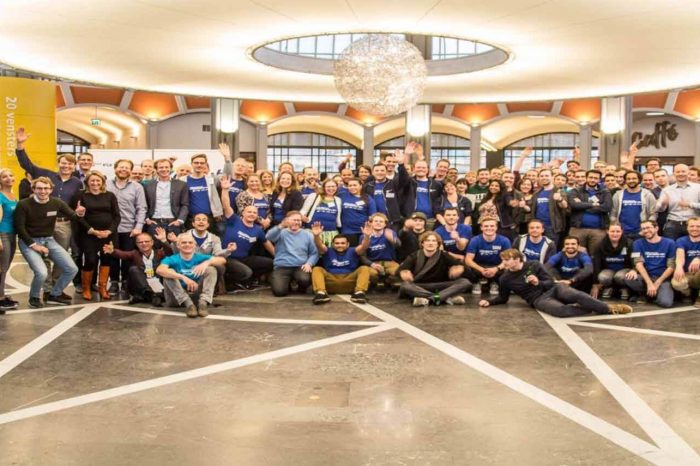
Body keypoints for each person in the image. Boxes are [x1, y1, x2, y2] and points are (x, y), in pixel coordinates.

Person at [15, 128, 84, 295]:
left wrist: (79, 212)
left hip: (63, 224)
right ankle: (46, 288)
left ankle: (55, 288)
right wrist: (20, 145)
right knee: (43, 257)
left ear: (74, 166)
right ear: (58, 163)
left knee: (61, 258)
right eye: (63, 163)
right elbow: (26, 164)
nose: (66, 166)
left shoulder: (77, 183)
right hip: (41, 223)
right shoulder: (46, 175)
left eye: (70, 164)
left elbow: (77, 204)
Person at [15, 177, 100, 308]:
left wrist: (79, 214)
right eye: (39, 188)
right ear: (33, 189)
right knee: (42, 272)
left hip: (48, 240)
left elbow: (73, 216)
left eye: (46, 188)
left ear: (51, 190)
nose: (43, 191)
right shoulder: (23, 204)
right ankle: (34, 297)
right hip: (29, 242)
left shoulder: (56, 202)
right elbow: (19, 228)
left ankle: (55, 294)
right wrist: (34, 245)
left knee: (72, 269)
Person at [478, 249, 632, 317]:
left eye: (507, 260)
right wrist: (489, 302)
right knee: (561, 311)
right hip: (538, 299)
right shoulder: (504, 278)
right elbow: (503, 298)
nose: (503, 263)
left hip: (553, 289)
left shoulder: (534, 265)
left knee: (577, 295)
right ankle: (592, 308)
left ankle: (609, 309)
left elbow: (550, 282)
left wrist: (538, 282)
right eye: (502, 260)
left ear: (517, 259)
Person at [73, 171, 121, 301]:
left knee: (107, 259)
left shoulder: (110, 195)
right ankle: (86, 288)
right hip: (89, 234)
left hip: (108, 234)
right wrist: (92, 230)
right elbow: (78, 216)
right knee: (90, 260)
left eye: (98, 180)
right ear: (87, 182)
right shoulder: (81, 195)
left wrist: (109, 231)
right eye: (92, 180)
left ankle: (102, 288)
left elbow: (117, 216)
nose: (95, 183)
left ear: (102, 182)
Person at [156, 233, 226, 318]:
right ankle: (188, 303)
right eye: (184, 242)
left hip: (196, 297)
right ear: (178, 245)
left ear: (194, 245)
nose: (187, 245)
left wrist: (206, 263)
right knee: (169, 272)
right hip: (176, 299)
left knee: (211, 269)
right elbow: (159, 270)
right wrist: (183, 277)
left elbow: (222, 260)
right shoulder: (172, 259)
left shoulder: (199, 257)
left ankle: (203, 302)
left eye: (190, 242)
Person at [107, 159, 148, 295]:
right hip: (110, 228)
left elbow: (141, 208)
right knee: (111, 255)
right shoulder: (106, 184)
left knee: (128, 257)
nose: (123, 169)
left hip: (129, 228)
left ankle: (126, 282)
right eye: (121, 167)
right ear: (115, 168)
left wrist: (138, 226)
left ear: (130, 170)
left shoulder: (137, 187)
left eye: (126, 168)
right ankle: (113, 282)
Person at [397, 231, 470, 306]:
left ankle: (429, 300)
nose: (430, 243)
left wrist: (460, 269)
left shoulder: (444, 255)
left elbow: (466, 270)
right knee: (405, 285)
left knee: (465, 282)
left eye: (433, 241)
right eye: (427, 240)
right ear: (422, 243)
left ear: (438, 244)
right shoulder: (414, 256)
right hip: (420, 286)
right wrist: (404, 273)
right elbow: (399, 271)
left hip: (441, 286)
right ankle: (443, 298)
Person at [103, 229, 172, 305]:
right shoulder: (135, 253)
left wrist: (164, 240)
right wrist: (113, 251)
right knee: (133, 269)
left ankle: (145, 297)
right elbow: (123, 254)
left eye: (146, 241)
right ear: (137, 244)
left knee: (167, 271)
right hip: (140, 284)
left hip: (157, 283)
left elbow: (169, 253)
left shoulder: (159, 253)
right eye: (140, 242)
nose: (144, 244)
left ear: (152, 242)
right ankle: (151, 295)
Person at [170, 213, 232, 295]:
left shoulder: (214, 238)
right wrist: (175, 242)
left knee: (220, 266)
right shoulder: (183, 236)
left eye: (204, 220)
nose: (201, 222)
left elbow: (217, 254)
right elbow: (176, 254)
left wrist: (228, 250)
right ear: (193, 224)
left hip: (206, 265)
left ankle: (210, 288)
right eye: (198, 220)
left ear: (208, 224)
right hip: (187, 264)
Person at [310, 222, 372, 305]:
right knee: (317, 269)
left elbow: (364, 246)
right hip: (331, 282)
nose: (340, 245)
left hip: (350, 281)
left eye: (343, 243)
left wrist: (367, 236)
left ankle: (359, 293)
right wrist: (316, 236)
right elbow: (319, 245)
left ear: (348, 244)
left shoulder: (353, 251)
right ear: (332, 244)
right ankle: (321, 294)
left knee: (364, 269)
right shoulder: (327, 251)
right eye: (337, 243)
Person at [624, 220, 676, 308]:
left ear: (656, 228)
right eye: (643, 229)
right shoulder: (637, 243)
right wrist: (649, 283)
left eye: (648, 228)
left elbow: (671, 266)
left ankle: (650, 296)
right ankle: (646, 293)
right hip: (646, 278)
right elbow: (638, 264)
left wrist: (658, 282)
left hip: (662, 279)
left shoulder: (670, 243)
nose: (646, 230)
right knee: (628, 278)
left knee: (665, 303)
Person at [266, 211, 318, 297]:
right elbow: (268, 237)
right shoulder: (281, 232)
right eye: (294, 220)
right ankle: (286, 283)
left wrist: (309, 263)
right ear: (287, 220)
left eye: (299, 220)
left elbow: (314, 253)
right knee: (279, 292)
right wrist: (280, 226)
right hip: (282, 266)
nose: (296, 222)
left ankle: (301, 287)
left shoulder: (308, 235)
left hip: (300, 266)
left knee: (304, 280)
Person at [567, 170, 611, 257]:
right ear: (586, 178)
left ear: (599, 180)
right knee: (576, 255)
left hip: (598, 230)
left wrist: (583, 205)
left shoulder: (605, 191)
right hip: (577, 229)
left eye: (595, 178)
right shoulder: (576, 191)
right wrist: (593, 204)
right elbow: (574, 205)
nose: (593, 180)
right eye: (590, 177)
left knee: (596, 256)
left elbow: (607, 207)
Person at [363, 149, 409, 231]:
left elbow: (404, 179)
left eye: (382, 170)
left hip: (392, 221)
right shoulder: (368, 186)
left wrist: (401, 164)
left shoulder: (393, 184)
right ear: (373, 173)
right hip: (374, 221)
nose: (379, 172)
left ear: (386, 172)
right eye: (377, 171)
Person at [464, 217, 512, 295]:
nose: (489, 228)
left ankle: (495, 283)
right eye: (486, 226)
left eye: (492, 226)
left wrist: (496, 269)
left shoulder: (504, 240)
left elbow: (508, 260)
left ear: (496, 227)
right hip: (479, 268)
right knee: (465, 267)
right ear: (481, 228)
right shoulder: (475, 240)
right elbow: (468, 260)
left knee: (509, 266)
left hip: (497, 267)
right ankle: (476, 282)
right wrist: (481, 269)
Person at [144, 158, 189, 240]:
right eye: (161, 167)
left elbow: (185, 204)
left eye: (166, 167)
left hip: (173, 223)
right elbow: (144, 204)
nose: (164, 169)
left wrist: (180, 220)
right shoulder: (148, 185)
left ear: (171, 168)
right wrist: (147, 219)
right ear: (156, 169)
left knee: (174, 246)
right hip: (154, 223)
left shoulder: (181, 184)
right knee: (155, 247)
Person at [655, 164, 700, 240]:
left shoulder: (698, 188)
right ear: (673, 173)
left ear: (688, 172)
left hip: (694, 224)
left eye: (683, 171)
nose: (680, 174)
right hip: (672, 224)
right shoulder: (667, 190)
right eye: (678, 172)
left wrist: (690, 204)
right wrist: (662, 204)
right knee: (670, 246)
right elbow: (660, 210)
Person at [591, 222, 635, 300]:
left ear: (622, 231)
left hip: (624, 271)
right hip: (608, 271)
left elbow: (634, 260)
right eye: (612, 231)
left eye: (618, 231)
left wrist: (634, 270)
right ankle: (608, 288)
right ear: (607, 231)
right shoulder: (600, 244)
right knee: (603, 277)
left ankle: (624, 288)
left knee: (619, 276)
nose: (615, 234)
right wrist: (595, 284)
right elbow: (596, 264)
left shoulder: (629, 243)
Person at [403, 146, 444, 229]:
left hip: (431, 220)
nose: (421, 169)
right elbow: (402, 173)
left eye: (423, 168)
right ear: (413, 169)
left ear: (427, 170)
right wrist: (406, 155)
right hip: (412, 219)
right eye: (418, 167)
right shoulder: (408, 182)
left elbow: (441, 201)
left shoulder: (436, 184)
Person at [610, 170, 657, 241]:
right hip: (622, 232)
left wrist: (647, 229)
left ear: (639, 180)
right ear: (625, 180)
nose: (631, 181)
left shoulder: (648, 195)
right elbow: (613, 213)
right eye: (628, 179)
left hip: (641, 232)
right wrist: (616, 229)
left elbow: (653, 213)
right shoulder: (618, 195)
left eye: (634, 178)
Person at [527, 169, 568, 245]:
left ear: (552, 177)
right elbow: (531, 209)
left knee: (550, 249)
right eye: (542, 176)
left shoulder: (559, 191)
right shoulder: (537, 193)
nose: (544, 177)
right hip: (537, 227)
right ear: (539, 178)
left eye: (546, 175)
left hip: (552, 227)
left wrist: (560, 199)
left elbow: (564, 206)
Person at [360, 213, 401, 288]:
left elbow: (399, 245)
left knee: (399, 271)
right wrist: (373, 265)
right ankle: (377, 282)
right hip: (373, 262)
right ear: (371, 223)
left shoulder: (390, 232)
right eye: (376, 221)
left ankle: (388, 281)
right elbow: (362, 256)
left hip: (389, 262)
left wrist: (392, 239)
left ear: (385, 224)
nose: (378, 223)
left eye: (381, 221)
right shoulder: (364, 236)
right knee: (371, 274)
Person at [301, 178, 342, 245]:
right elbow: (303, 210)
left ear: (337, 187)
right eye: (328, 186)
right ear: (324, 187)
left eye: (333, 186)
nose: (331, 188)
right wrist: (302, 216)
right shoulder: (314, 196)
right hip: (311, 232)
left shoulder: (338, 200)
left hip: (331, 233)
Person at [671, 217, 700, 305]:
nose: (695, 229)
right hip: (688, 273)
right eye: (692, 226)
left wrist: (698, 258)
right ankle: (689, 294)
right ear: (687, 228)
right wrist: (679, 267)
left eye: (698, 226)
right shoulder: (681, 240)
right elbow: (680, 255)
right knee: (677, 283)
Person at [0, 169, 18, 311]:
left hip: (12, 235)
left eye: (10, 175)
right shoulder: (0, 196)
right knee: (2, 268)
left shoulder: (12, 195)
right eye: (4, 177)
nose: (8, 178)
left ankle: (1, 295)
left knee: (4, 267)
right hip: (3, 235)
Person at [339, 178, 376, 246]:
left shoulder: (368, 198)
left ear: (361, 186)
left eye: (355, 185)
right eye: (350, 186)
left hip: (363, 231)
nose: (352, 187)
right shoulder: (342, 196)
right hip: (348, 231)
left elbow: (373, 215)